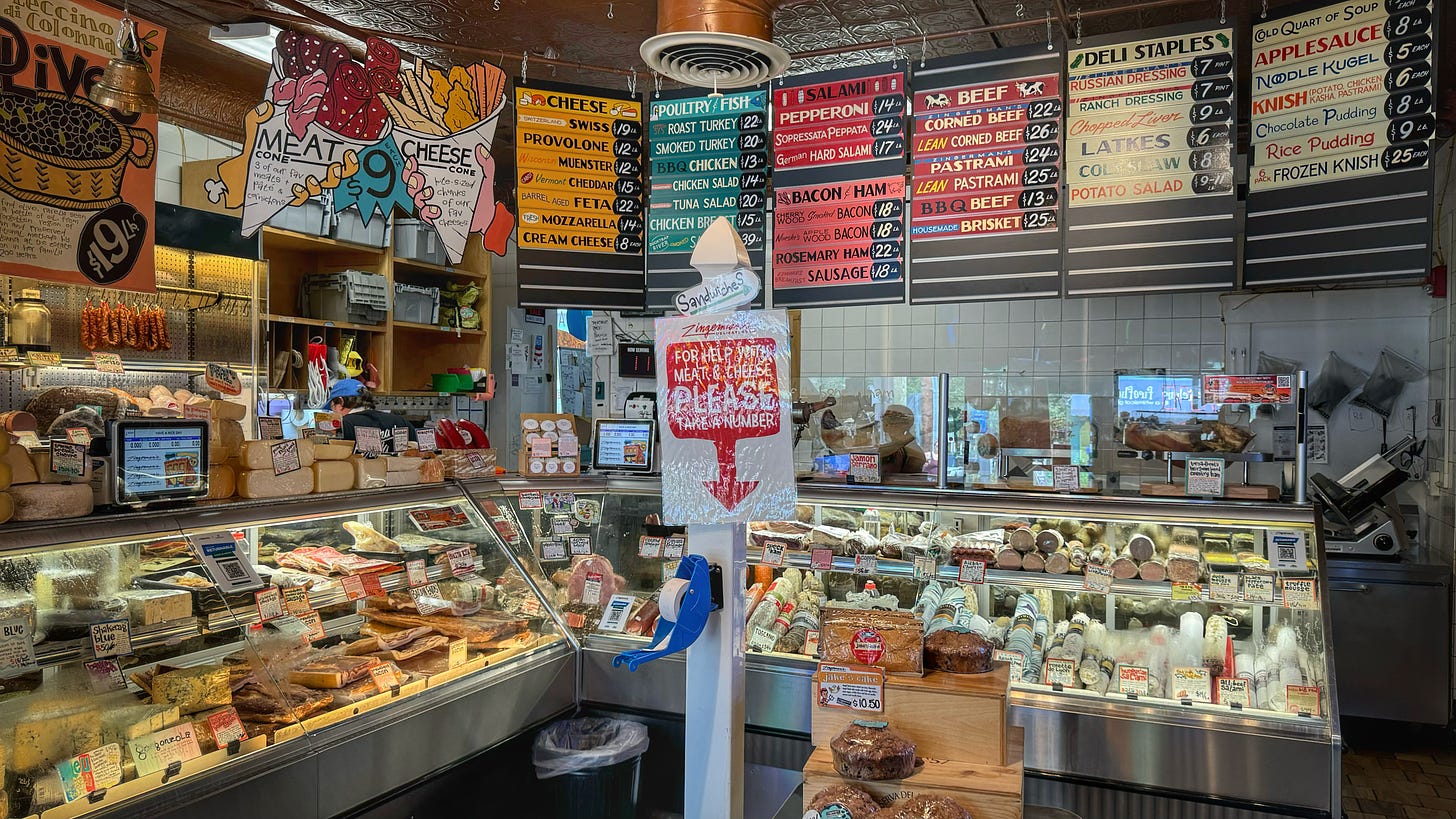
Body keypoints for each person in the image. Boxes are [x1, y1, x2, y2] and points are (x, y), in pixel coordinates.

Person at [327, 379, 416, 446]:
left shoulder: (341, 426)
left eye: (331, 408)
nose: (332, 412)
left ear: (340, 403)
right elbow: (421, 454)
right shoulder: (401, 422)